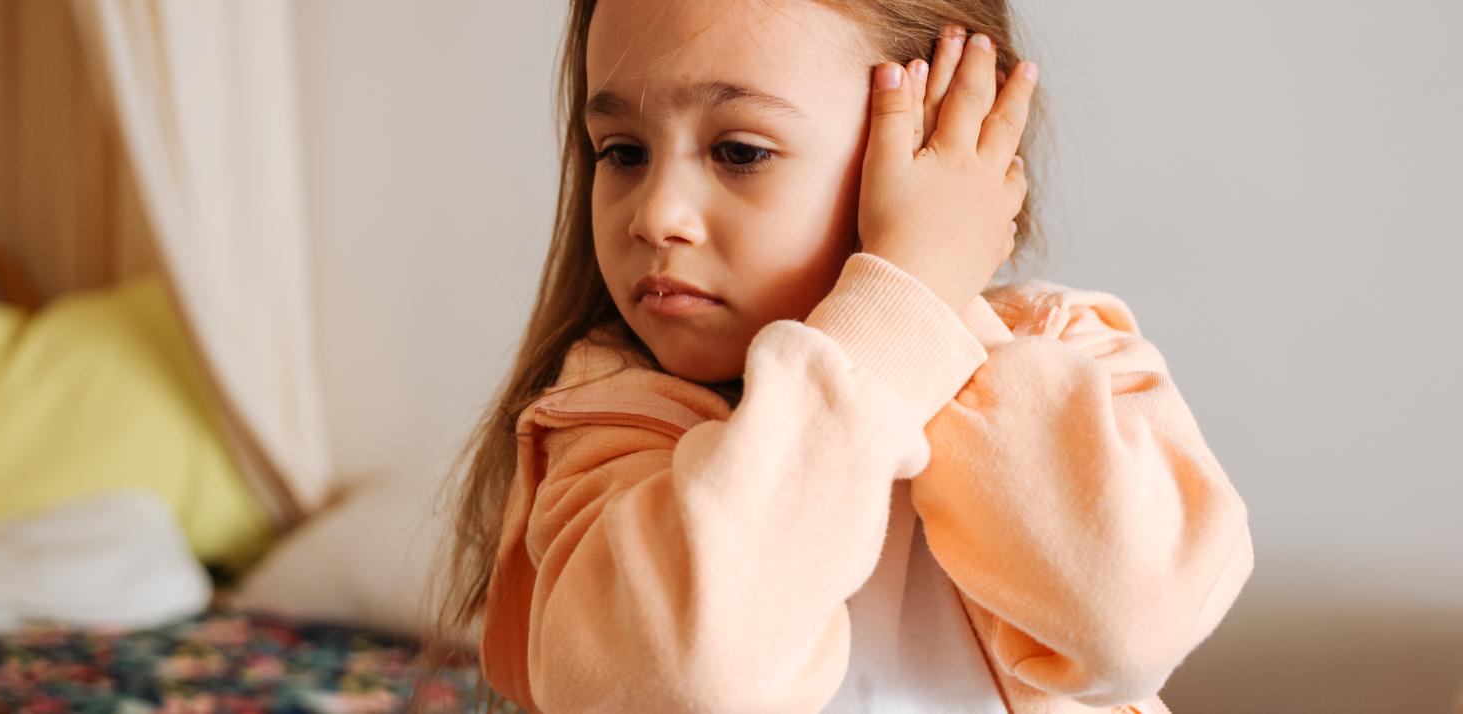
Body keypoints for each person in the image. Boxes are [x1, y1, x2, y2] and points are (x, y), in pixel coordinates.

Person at [430, 1, 1254, 711]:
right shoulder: (608, 430)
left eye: (739, 151)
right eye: (623, 152)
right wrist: (890, 317)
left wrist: (926, 301)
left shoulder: (1063, 349)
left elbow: (1128, 626)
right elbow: (693, 675)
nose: (658, 215)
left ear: (942, 138)